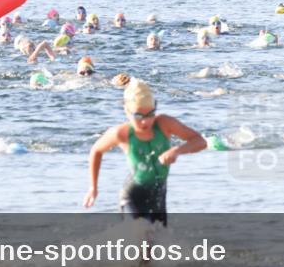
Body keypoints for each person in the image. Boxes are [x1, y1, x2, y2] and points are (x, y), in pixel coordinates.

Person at [82, 79, 207, 225]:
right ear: (127, 111)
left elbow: (200, 141)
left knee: (157, 238)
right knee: (140, 234)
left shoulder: (165, 123)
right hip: (133, 197)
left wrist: (177, 150)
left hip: (159, 197)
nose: (145, 122)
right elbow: (96, 151)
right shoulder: (121, 133)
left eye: (150, 114)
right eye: (138, 116)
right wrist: (93, 188)